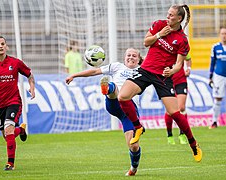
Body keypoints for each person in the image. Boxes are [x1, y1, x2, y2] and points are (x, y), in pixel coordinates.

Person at [118, 4, 202, 162]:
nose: (168, 17)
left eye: (171, 15)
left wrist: (173, 71)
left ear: (179, 18)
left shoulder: (183, 40)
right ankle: (138, 127)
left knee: (175, 113)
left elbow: (179, 64)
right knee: (123, 96)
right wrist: (159, 35)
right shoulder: (159, 25)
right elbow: (146, 42)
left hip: (163, 76)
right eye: (168, 14)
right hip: (145, 71)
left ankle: (193, 144)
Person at [65, 48, 143, 176]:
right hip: (115, 103)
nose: (131, 57)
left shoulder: (142, 71)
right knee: (115, 88)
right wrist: (74, 75)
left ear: (139, 59)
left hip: (130, 111)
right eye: (128, 55)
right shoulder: (117, 67)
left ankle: (133, 168)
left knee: (133, 145)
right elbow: (95, 71)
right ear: (124, 58)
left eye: (134, 56)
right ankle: (108, 88)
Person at [0, 33, 36, 170]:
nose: (0, 46)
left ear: (6, 46)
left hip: (14, 102)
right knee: (7, 136)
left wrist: (32, 88)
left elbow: (30, 75)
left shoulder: (15, 63)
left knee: (9, 130)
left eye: (2, 44)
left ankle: (10, 163)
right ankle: (21, 130)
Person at [165, 54, 192, 145]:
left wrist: (188, 68)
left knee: (181, 107)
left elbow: (188, 58)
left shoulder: (181, 47)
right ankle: (169, 135)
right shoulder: (163, 47)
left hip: (181, 80)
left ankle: (182, 134)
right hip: (168, 81)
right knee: (170, 110)